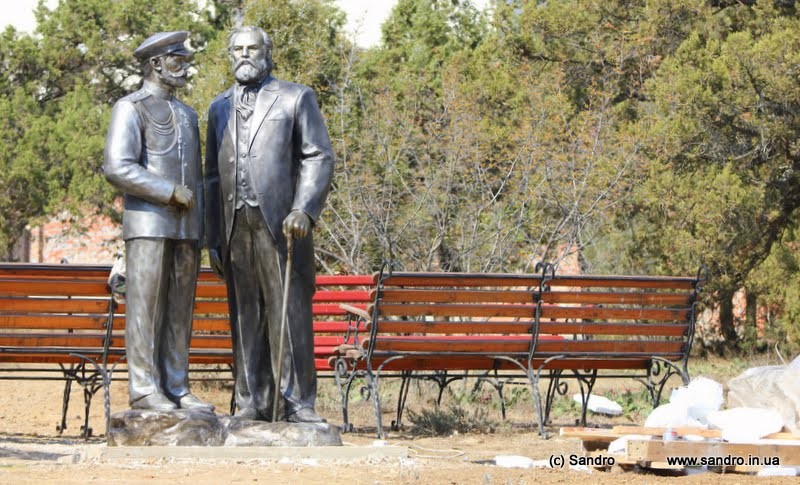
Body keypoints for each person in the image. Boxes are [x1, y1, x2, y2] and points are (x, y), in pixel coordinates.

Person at [204, 26, 334, 423]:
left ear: (267, 52)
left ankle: (298, 404)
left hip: (281, 223)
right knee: (245, 315)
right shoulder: (218, 107)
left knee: (289, 311)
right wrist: (212, 236)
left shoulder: (296, 97)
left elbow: (318, 156)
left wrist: (304, 209)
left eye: (252, 48)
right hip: (233, 224)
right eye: (237, 49)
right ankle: (251, 402)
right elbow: (210, 175)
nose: (245, 54)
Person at [104, 31, 213, 412]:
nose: (185, 67)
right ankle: (145, 389)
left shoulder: (187, 114)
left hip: (187, 229)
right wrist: (167, 191)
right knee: (145, 310)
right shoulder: (129, 108)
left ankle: (177, 386)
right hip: (148, 225)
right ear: (156, 64)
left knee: (180, 311)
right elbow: (117, 167)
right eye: (177, 60)